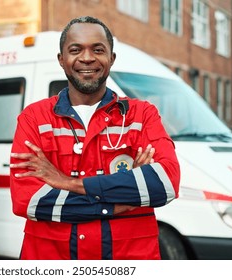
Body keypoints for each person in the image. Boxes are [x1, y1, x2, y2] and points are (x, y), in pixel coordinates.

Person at [9, 16, 181, 260]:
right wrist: (122, 199)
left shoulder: (142, 115)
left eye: (98, 50)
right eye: (75, 49)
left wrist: (67, 183)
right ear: (61, 60)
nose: (87, 58)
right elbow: (28, 202)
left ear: (111, 59)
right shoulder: (34, 118)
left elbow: (165, 184)